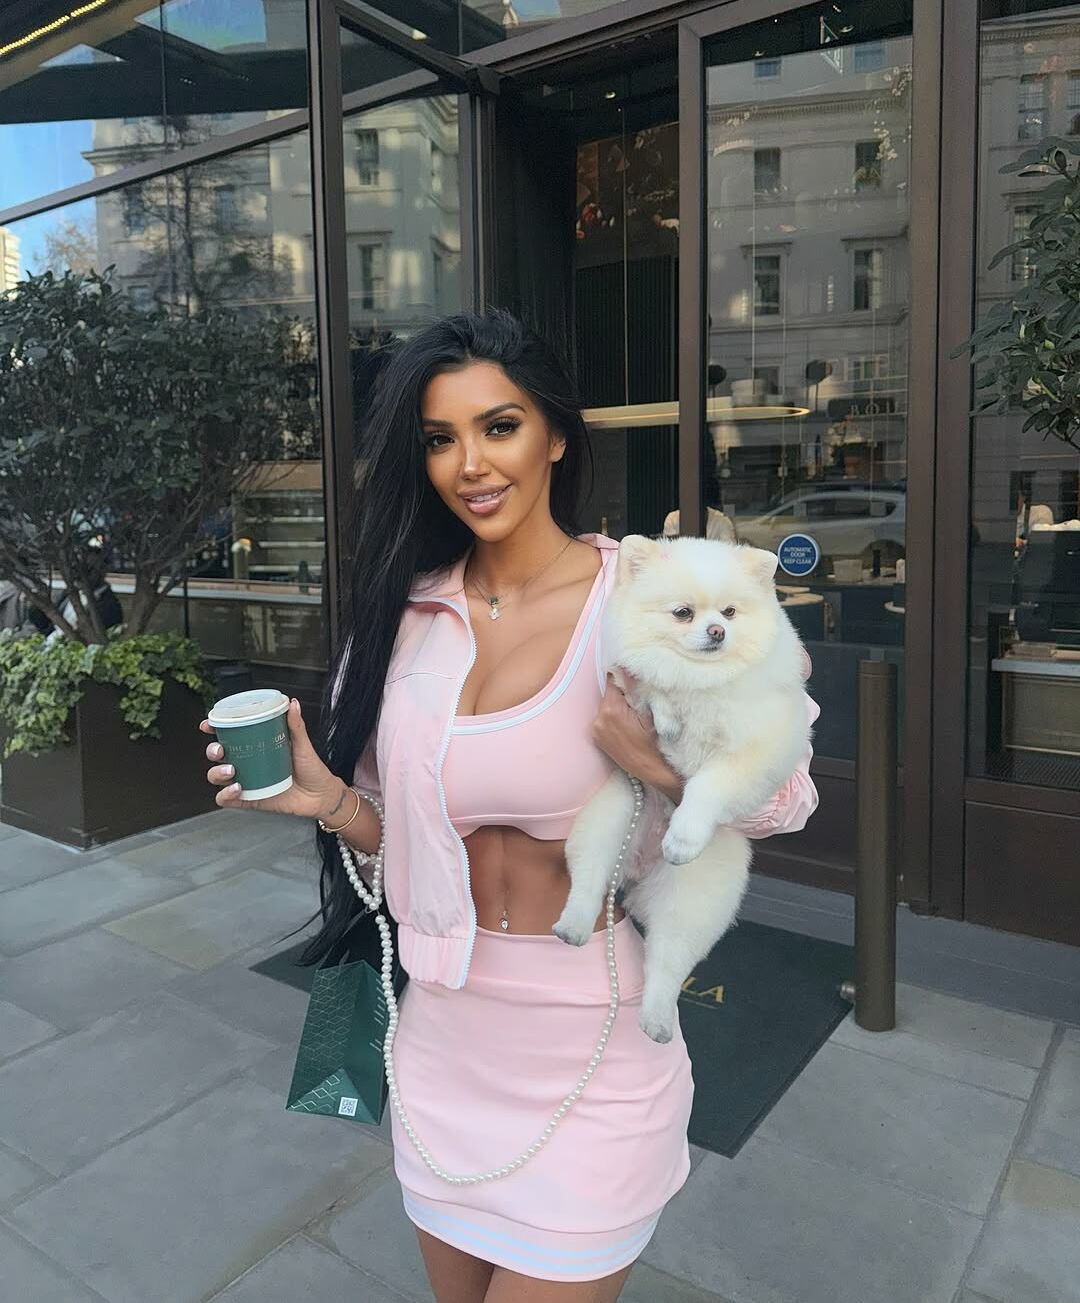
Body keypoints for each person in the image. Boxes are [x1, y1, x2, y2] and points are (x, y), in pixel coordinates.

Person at [200, 310, 818, 1303]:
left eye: (500, 426)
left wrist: (657, 766)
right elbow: (405, 841)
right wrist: (332, 803)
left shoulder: (645, 595)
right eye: (439, 439)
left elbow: (785, 799)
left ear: (556, 435)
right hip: (442, 1040)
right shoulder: (403, 615)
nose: (471, 464)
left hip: (589, 1044)